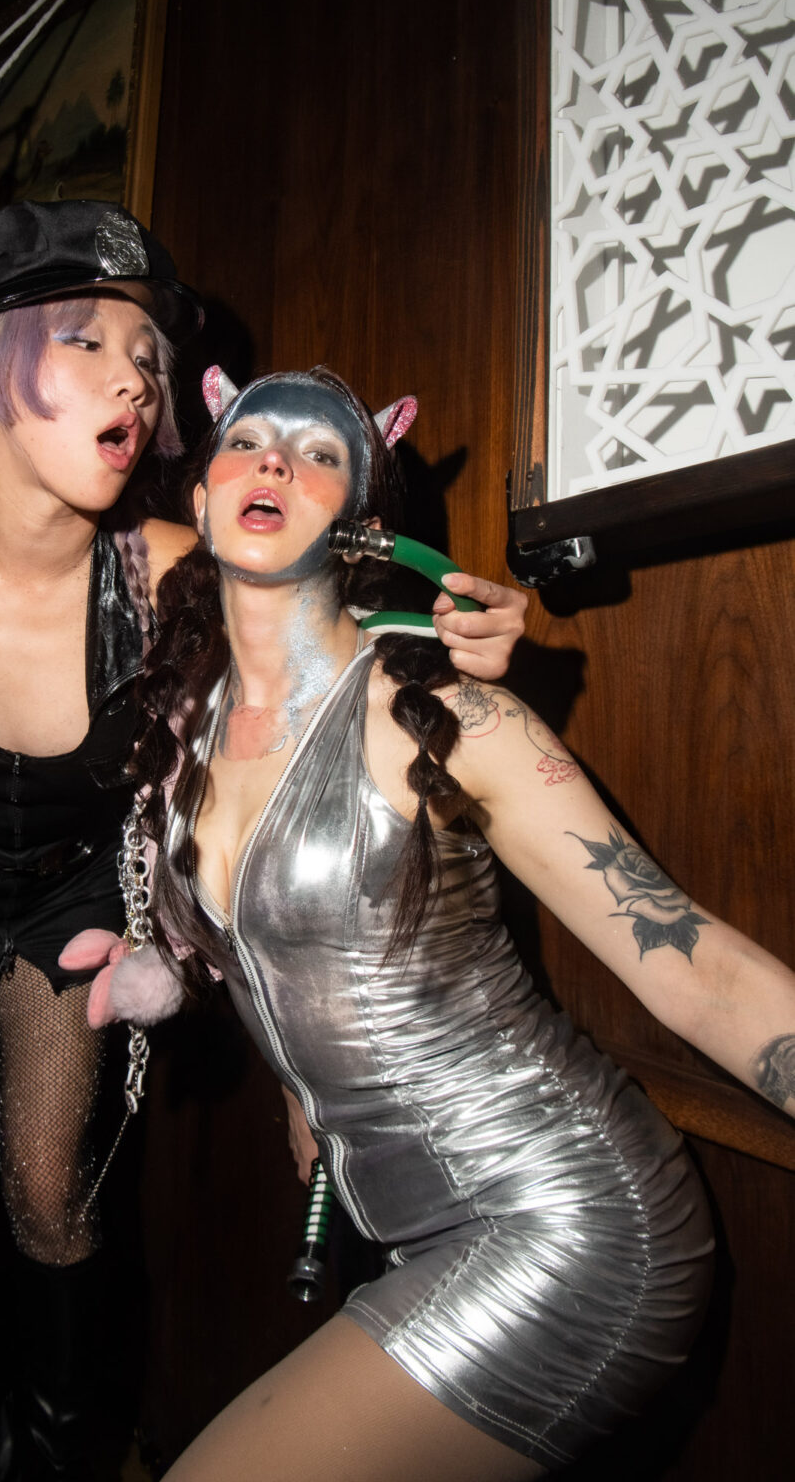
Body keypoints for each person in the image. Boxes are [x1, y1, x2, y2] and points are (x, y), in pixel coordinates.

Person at [0, 202, 531, 1482]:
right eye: (88, 342)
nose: (136, 381)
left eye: (149, 360)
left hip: (72, 903)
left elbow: (329, 598)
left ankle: (60, 1449)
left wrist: (446, 619)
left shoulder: (164, 566)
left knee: (48, 1190)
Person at [79, 365, 795, 1481]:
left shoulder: (455, 724)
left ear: (361, 522)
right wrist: (296, 1086)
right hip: (414, 1228)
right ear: (203, 495)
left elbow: (691, 965)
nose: (275, 461)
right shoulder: (189, 720)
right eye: (247, 442)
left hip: (568, 1223)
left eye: (319, 453)